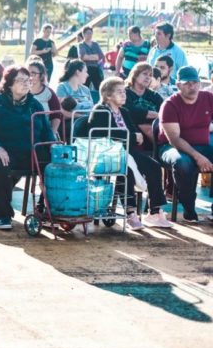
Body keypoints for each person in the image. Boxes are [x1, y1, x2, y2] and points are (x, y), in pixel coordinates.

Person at [84, 77, 171, 229]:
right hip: (107, 155)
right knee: (126, 170)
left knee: (154, 166)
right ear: (108, 95)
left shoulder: (124, 111)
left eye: (124, 91)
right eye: (119, 92)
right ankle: (130, 212)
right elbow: (107, 136)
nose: (124, 95)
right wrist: (132, 136)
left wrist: (132, 136)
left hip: (126, 151)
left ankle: (155, 212)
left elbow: (132, 134)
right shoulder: (100, 111)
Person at [0, 66, 55, 230]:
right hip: (5, 150)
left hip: (31, 152)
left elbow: (47, 131)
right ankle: (3, 215)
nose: (26, 83)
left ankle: (43, 209)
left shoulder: (34, 104)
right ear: (9, 84)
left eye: (28, 80)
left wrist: (53, 146)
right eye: (20, 80)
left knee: (55, 165)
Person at [157, 66, 213, 222]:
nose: (192, 86)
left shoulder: (208, 98)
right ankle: (189, 208)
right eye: (187, 83)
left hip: (202, 145)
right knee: (183, 163)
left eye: (195, 82)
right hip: (171, 147)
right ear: (178, 85)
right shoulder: (170, 105)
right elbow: (174, 139)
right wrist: (198, 157)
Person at [124, 62, 164, 141]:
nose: (148, 77)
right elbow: (129, 111)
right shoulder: (124, 92)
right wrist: (156, 115)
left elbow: (165, 111)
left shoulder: (155, 96)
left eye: (150, 75)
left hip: (156, 130)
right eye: (145, 74)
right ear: (135, 75)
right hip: (131, 133)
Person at [27, 60, 62, 136]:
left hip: (45, 132)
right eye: (27, 73)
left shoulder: (49, 93)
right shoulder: (21, 91)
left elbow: (56, 115)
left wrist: (51, 134)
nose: (30, 77)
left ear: (41, 75)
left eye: (33, 73)